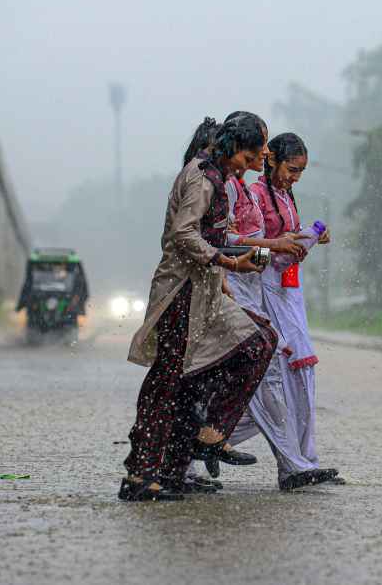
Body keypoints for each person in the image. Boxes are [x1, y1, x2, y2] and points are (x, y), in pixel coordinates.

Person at [120, 115, 278, 502]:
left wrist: (227, 271)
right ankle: (141, 475)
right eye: (250, 153)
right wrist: (229, 264)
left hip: (206, 290)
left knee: (256, 342)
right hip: (181, 292)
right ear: (230, 147)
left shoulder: (220, 178)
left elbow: (213, 235)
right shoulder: (202, 178)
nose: (254, 162)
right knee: (169, 381)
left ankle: (200, 443)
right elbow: (183, 234)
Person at [250, 132, 340, 490]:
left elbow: (284, 242)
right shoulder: (254, 196)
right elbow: (248, 250)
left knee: (301, 377)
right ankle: (294, 463)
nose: (294, 177)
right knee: (271, 382)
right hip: (263, 291)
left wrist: (307, 237)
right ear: (271, 160)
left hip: (290, 291)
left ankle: (303, 460)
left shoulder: (286, 196)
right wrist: (278, 249)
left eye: (300, 171)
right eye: (291, 169)